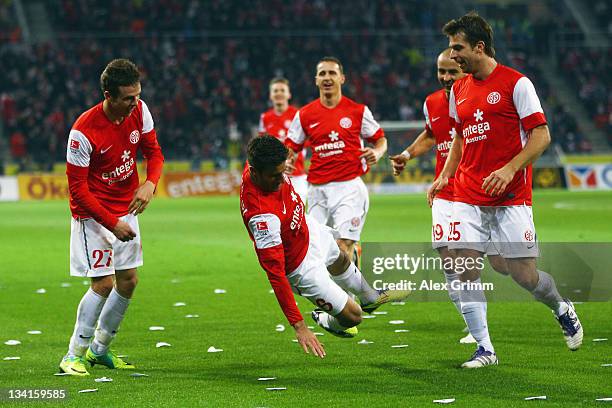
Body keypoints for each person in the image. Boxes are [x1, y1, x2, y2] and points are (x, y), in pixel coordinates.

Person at [428, 12, 582, 368]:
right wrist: (445, 176)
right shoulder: (459, 90)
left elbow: (542, 135)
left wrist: (510, 167)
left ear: (479, 47)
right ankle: (485, 349)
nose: (453, 56)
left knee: (522, 275)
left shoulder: (517, 84)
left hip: (511, 196)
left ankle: (560, 306)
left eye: (458, 48)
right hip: (467, 194)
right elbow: (459, 137)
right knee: (463, 266)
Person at [240, 136, 408, 357]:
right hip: (301, 268)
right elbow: (275, 274)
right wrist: (299, 326)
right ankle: (326, 319)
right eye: (275, 175)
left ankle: (369, 297)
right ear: (254, 172)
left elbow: (265, 145)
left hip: (306, 229)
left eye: (283, 171)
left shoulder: (262, 160)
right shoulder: (262, 217)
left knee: (339, 257)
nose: (282, 178)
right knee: (353, 317)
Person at [391, 48, 510, 345]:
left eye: (451, 72)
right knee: (450, 263)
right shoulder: (431, 102)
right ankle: (477, 330)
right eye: (441, 72)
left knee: (503, 265)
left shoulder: (480, 100)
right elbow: (432, 133)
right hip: (444, 192)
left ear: (465, 69)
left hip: (475, 191)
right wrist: (407, 154)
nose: (445, 78)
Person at [60, 58, 164, 376]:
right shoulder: (83, 132)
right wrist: (111, 223)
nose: (135, 103)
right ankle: (72, 355)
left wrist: (149, 183)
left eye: (137, 95)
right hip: (93, 218)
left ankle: (99, 350)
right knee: (104, 282)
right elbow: (78, 190)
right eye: (127, 98)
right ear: (108, 95)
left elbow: (154, 153)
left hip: (126, 211)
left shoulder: (140, 110)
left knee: (129, 281)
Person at [286, 56, 387, 265]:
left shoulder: (358, 111)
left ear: (342, 78)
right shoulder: (304, 114)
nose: (327, 77)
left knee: (342, 246)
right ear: (316, 80)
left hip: (348, 187)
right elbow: (291, 147)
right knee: (315, 249)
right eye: (322, 73)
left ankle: (348, 296)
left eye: (332, 73)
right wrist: (287, 160)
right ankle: (349, 276)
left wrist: (377, 153)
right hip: (316, 190)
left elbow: (380, 139)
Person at [258, 77, 307, 202]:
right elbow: (261, 147)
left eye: (282, 90)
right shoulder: (265, 118)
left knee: (295, 218)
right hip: (273, 178)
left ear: (288, 94)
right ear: (270, 95)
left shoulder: (299, 115)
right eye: (275, 91)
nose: (279, 93)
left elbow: (305, 144)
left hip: (296, 177)